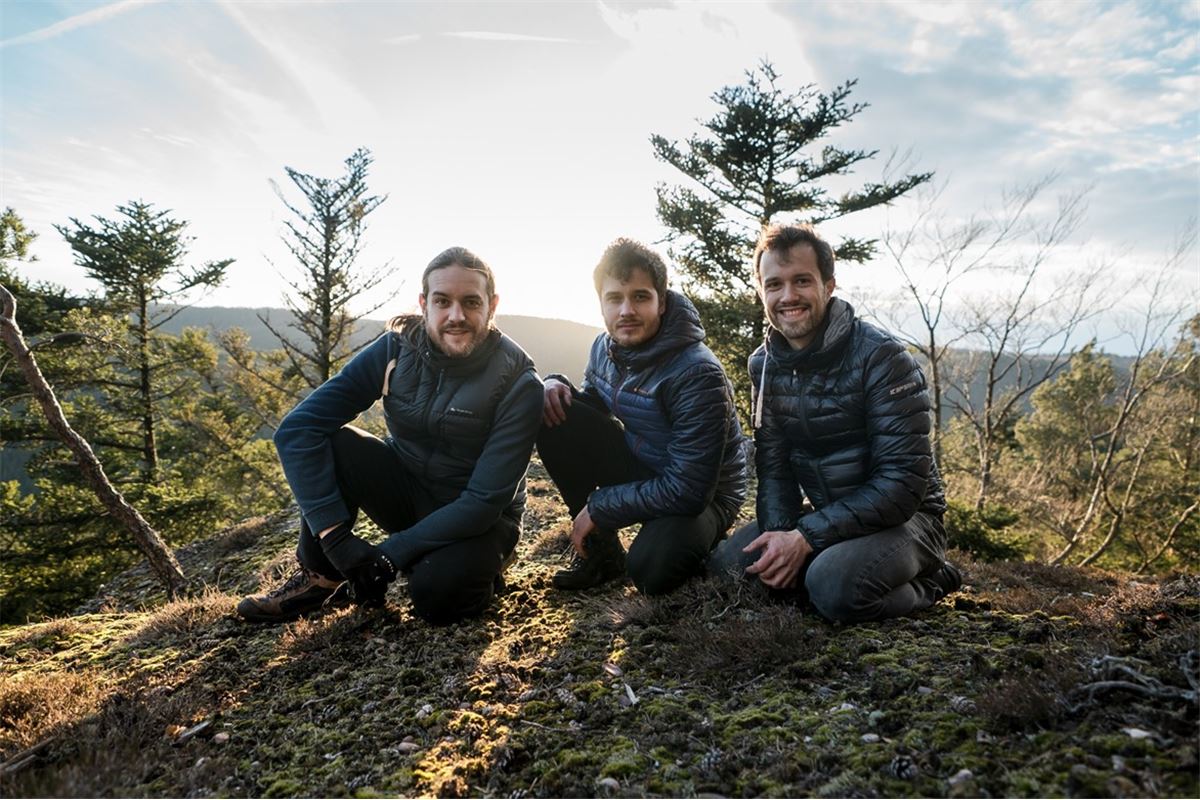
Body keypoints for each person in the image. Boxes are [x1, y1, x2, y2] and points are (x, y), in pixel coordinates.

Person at [237, 247, 543, 625]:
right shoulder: (396, 349)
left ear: (492, 306)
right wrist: (337, 543)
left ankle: (475, 566)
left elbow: (484, 500)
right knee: (331, 443)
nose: (456, 315)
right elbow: (298, 430)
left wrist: (389, 554)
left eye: (471, 302)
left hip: (482, 519)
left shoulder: (519, 382)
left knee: (438, 597)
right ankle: (323, 578)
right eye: (442, 301)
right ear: (424, 303)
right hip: (408, 492)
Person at [709, 223, 960, 622]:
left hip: (908, 520)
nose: (788, 296)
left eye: (802, 281)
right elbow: (774, 468)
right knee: (729, 569)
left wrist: (807, 538)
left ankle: (934, 580)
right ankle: (821, 560)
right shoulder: (764, 364)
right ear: (761, 291)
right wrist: (780, 537)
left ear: (828, 285)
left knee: (833, 587)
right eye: (774, 284)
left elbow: (901, 485)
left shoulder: (882, 358)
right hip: (830, 513)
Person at [537, 238, 748, 594]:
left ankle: (709, 542)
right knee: (554, 415)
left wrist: (601, 506)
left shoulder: (697, 374)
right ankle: (601, 555)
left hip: (705, 493)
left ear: (661, 302)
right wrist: (555, 384)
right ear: (600, 304)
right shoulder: (604, 349)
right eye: (614, 298)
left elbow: (690, 489)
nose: (626, 311)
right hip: (647, 464)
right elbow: (594, 404)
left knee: (651, 569)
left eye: (640, 297)